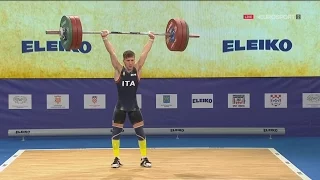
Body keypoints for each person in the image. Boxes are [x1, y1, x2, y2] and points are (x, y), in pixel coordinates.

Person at [100, 30, 155, 168]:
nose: (131, 63)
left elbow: (144, 54)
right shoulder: (119, 70)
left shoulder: (137, 69)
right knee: (116, 134)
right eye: (128, 61)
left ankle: (144, 158)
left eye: (132, 60)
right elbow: (112, 53)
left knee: (140, 133)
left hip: (133, 108)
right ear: (124, 61)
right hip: (120, 108)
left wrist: (151, 39)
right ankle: (116, 159)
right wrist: (105, 38)